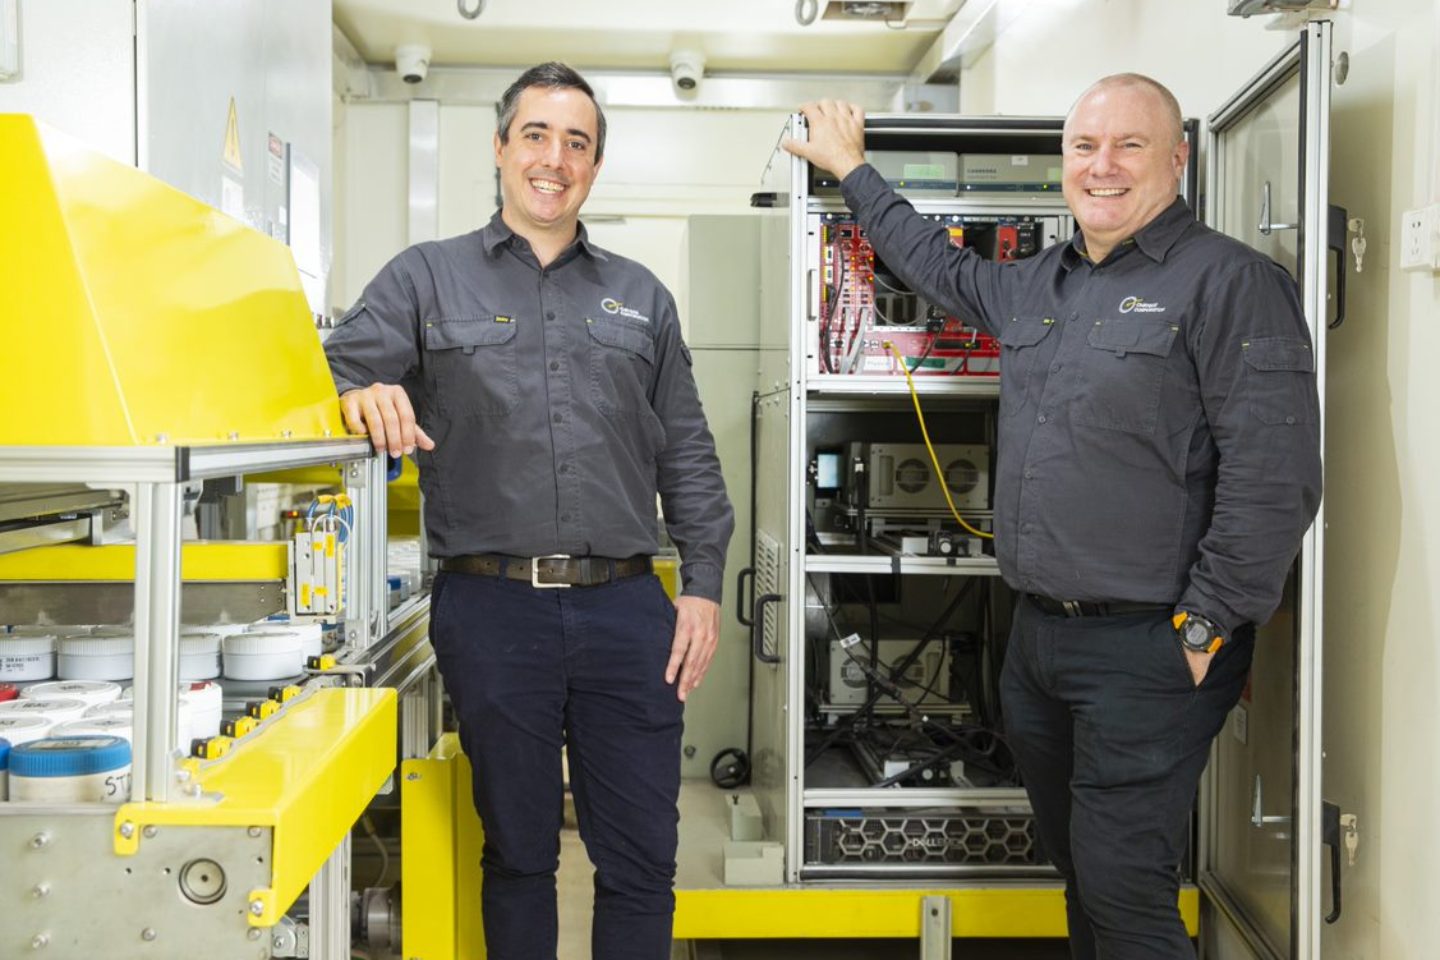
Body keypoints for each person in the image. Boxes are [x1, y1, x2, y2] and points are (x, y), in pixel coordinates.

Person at [785, 75, 1321, 959]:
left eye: (1129, 145)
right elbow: (935, 265)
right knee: (1082, 876)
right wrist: (852, 169)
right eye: (1084, 146)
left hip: (1150, 647)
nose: (1102, 166)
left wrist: (1206, 626)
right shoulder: (1039, 282)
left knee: (1126, 892)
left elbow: (1277, 477)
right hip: (1039, 643)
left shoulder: (1231, 282)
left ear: (1178, 158)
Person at [324, 62, 733, 960]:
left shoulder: (642, 297)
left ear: (595, 165)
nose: (555, 158)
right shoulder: (425, 278)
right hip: (491, 607)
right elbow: (331, 367)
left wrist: (702, 587)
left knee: (641, 863)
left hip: (628, 609)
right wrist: (356, 391)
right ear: (502, 148)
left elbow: (689, 455)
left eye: (576, 143)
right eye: (537, 136)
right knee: (516, 856)